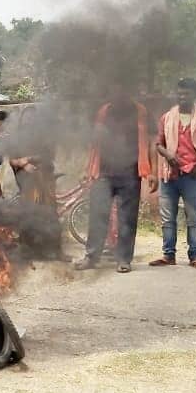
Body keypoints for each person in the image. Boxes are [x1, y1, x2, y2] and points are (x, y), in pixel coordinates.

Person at [74, 86, 156, 273]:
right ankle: (91, 257)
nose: (118, 94)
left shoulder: (141, 112)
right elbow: (94, 143)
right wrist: (87, 169)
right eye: (114, 90)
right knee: (97, 215)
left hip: (130, 173)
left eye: (122, 90)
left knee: (127, 218)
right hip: (103, 173)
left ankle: (124, 259)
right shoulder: (103, 112)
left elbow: (151, 144)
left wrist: (152, 172)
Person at [150, 78, 196, 270]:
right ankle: (168, 255)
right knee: (167, 218)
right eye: (179, 93)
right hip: (170, 175)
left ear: (195, 95)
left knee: (193, 218)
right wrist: (168, 156)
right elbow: (158, 143)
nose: (182, 97)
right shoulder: (166, 118)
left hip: (193, 176)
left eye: (186, 93)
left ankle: (194, 256)